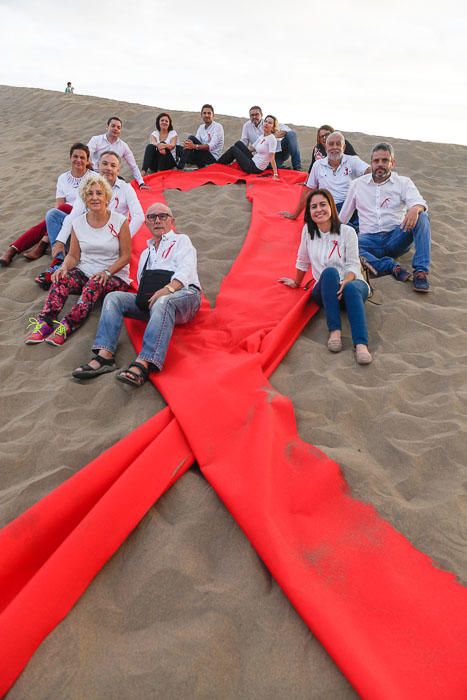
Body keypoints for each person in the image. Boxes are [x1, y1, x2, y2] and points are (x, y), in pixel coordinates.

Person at [72, 202, 201, 386]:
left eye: (162, 216)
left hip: (184, 295)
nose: (157, 220)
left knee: (164, 301)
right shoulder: (146, 253)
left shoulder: (181, 240)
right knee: (114, 297)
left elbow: (186, 270)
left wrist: (167, 290)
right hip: (155, 301)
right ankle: (105, 356)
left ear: (172, 221)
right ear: (146, 223)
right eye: (152, 217)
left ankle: (145, 362)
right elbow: (142, 283)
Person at [25, 175, 132, 347]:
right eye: (90, 194)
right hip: (86, 270)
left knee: (93, 284)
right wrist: (64, 267)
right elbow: (74, 255)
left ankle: (67, 326)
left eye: (99, 193)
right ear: (84, 198)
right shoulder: (78, 223)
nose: (95, 197)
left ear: (106, 196)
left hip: (114, 275)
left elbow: (126, 256)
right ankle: (45, 321)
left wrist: (107, 272)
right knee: (61, 278)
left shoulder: (120, 221)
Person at [279, 189, 372, 365]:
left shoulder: (347, 232)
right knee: (329, 272)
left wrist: (347, 280)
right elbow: (303, 260)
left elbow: (353, 264)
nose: (318, 210)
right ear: (309, 212)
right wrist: (296, 282)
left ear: (331, 207)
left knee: (352, 287)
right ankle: (334, 331)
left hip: (352, 284)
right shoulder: (308, 231)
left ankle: (361, 344)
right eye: (313, 206)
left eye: (323, 204)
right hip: (326, 289)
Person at [35, 151, 144, 288]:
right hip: (88, 231)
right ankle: (59, 262)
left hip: (111, 236)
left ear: (118, 169)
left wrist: (123, 237)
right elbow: (74, 215)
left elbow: (139, 216)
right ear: (98, 165)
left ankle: (62, 266)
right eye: (104, 164)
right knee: (53, 215)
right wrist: (61, 240)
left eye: (113, 165)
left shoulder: (126, 188)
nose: (108, 168)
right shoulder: (88, 185)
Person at [339, 142, 431, 292]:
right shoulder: (357, 185)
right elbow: (342, 219)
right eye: (376, 161)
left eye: (385, 160)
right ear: (371, 163)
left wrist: (415, 208)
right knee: (347, 247)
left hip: (396, 237)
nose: (380, 164)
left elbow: (419, 202)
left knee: (422, 216)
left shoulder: (403, 182)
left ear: (392, 163)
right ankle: (391, 267)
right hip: (367, 241)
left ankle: (421, 272)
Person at [0, 143, 92, 267]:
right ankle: (24, 247)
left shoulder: (94, 177)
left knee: (62, 209)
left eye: (82, 157)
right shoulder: (63, 178)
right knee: (54, 213)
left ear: (87, 161)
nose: (78, 160)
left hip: (84, 215)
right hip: (64, 215)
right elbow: (59, 204)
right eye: (75, 156)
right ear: (70, 158)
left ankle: (26, 246)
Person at [281, 132, 369, 223]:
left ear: (344, 147)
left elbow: (369, 171)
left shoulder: (352, 161)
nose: (334, 147)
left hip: (349, 206)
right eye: (331, 144)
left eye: (338, 144)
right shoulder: (318, 165)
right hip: (327, 207)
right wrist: (295, 215)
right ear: (326, 148)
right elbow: (307, 191)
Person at [87, 117, 148, 189]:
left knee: (123, 185)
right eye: (113, 126)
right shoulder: (96, 139)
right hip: (96, 172)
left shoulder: (123, 146)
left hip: (111, 175)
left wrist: (141, 183)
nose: (115, 129)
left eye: (118, 127)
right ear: (107, 127)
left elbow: (133, 166)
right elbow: (86, 155)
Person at [240, 105, 302, 171]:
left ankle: (297, 167)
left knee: (291, 134)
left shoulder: (269, 122)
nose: (254, 117)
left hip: (279, 152)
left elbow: (288, 131)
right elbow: (244, 142)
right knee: (270, 166)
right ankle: (278, 167)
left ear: (261, 115)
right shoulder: (247, 126)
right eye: (252, 115)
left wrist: (271, 136)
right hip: (264, 156)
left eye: (257, 114)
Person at [176, 104, 224, 170]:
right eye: (204, 113)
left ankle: (180, 167)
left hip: (212, 158)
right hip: (200, 157)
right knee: (177, 148)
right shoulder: (201, 127)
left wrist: (194, 146)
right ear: (201, 115)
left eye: (209, 113)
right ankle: (184, 162)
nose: (206, 115)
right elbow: (195, 143)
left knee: (191, 138)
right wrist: (188, 145)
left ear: (213, 115)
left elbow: (210, 146)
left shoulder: (218, 127)